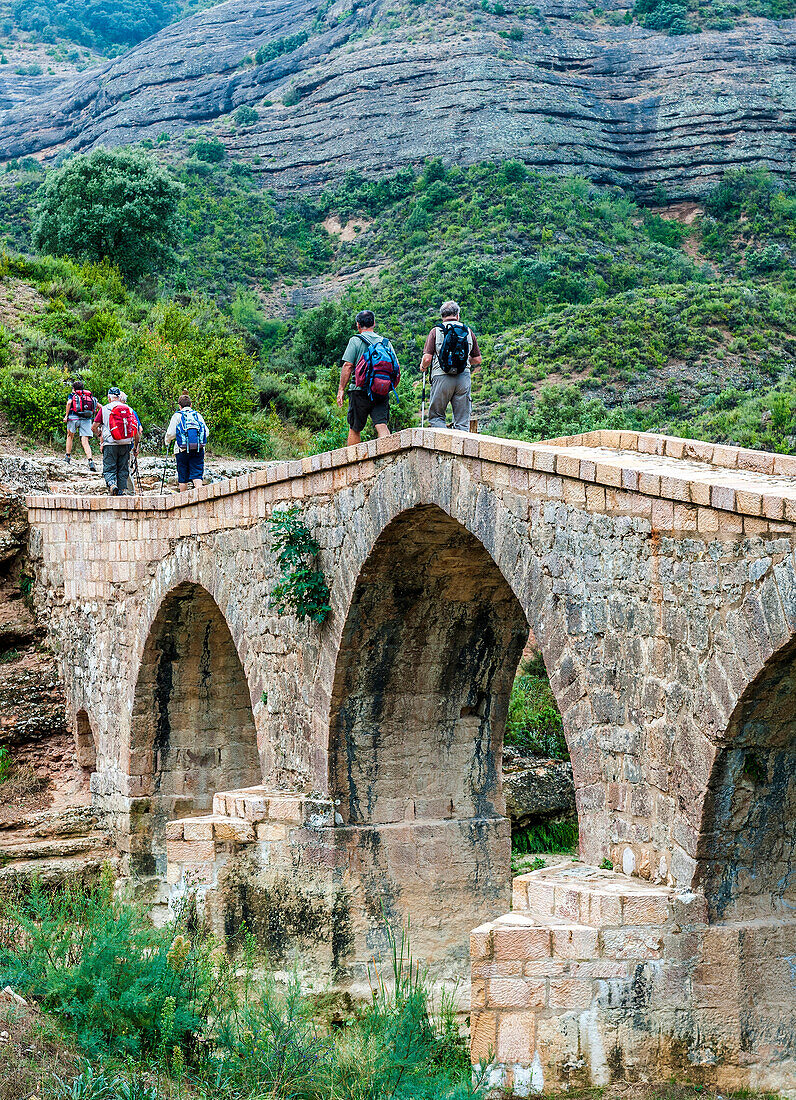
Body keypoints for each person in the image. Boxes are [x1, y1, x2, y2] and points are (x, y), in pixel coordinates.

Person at [336, 310, 400, 446]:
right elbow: (396, 367)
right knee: (381, 424)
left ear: (358, 325)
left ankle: (353, 463)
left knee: (355, 427)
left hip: (359, 390)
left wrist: (341, 389)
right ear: (374, 323)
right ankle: (388, 458)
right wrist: (387, 386)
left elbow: (348, 365)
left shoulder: (355, 341)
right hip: (380, 390)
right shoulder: (385, 342)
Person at [420, 300, 482, 431]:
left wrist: (424, 367)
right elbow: (477, 359)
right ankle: (460, 450)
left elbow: (427, 358)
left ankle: (441, 450)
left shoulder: (436, 331)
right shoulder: (468, 331)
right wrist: (463, 362)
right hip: (463, 378)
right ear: (457, 315)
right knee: (462, 421)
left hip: (441, 377)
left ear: (442, 315)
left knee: (437, 417)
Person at [92, 386, 138, 496]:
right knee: (123, 469)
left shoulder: (105, 409)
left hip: (110, 443)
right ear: (119, 397)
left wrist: (99, 434)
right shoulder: (129, 409)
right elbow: (136, 430)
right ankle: (121, 491)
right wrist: (136, 445)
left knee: (109, 468)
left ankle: (112, 485)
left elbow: (94, 427)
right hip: (126, 443)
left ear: (109, 397)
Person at [164, 392, 209, 492]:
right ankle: (200, 498)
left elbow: (170, 434)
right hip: (198, 449)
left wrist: (167, 442)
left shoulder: (177, 416)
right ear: (191, 405)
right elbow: (206, 432)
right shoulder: (197, 415)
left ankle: (182, 502)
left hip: (181, 450)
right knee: (197, 475)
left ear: (179, 406)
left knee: (183, 477)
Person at [63, 380, 97, 471]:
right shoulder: (88, 395)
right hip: (86, 419)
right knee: (85, 441)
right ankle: (90, 461)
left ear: (73, 388)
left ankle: (68, 457)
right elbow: (98, 405)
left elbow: (69, 403)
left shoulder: (73, 395)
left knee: (70, 436)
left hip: (73, 418)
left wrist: (66, 416)